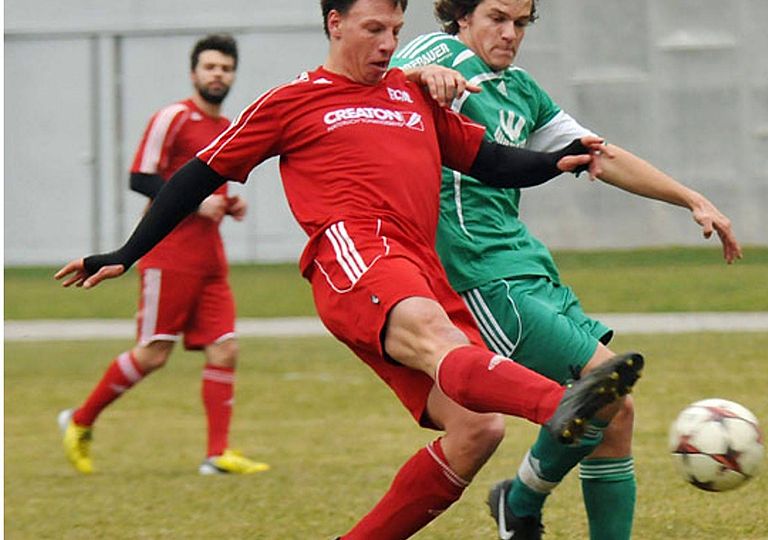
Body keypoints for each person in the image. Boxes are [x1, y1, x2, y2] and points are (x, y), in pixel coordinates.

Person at [54, 1, 643, 537]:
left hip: (419, 268)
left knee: (477, 430)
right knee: (441, 341)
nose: (388, 44)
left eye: (396, 31)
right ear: (335, 24)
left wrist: (555, 162)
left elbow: (486, 159)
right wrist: (126, 252)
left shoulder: (409, 95)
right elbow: (198, 174)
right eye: (373, 29)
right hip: (354, 256)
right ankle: (560, 403)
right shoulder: (293, 99)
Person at [391, 1, 743, 538]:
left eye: (520, 23)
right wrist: (422, 75)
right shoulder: (440, 52)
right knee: (604, 382)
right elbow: (381, 85)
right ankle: (521, 500)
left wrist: (691, 199)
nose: (510, 34)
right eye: (497, 18)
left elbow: (600, 155)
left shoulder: (521, 91)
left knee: (616, 413)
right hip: (478, 274)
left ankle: (519, 501)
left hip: (528, 264)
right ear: (462, 16)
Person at [56, 34, 270, 476]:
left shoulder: (229, 126)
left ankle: (217, 455)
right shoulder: (173, 117)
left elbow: (211, 185)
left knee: (225, 349)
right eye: (210, 67)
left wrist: (229, 204)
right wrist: (196, 204)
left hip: (210, 258)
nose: (218, 75)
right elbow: (140, 177)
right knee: (153, 353)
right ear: (194, 73)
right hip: (167, 254)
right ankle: (79, 420)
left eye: (226, 68)